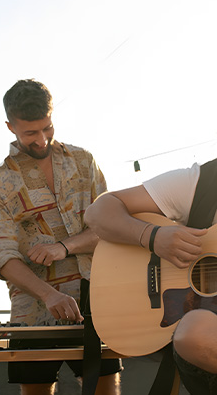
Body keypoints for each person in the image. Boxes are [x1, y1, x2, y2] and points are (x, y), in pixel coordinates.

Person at [0, 79, 122, 395]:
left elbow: (112, 227)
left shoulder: (83, 161)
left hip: (96, 299)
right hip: (32, 310)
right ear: (10, 126)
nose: (42, 139)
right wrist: (48, 294)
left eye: (47, 128)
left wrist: (64, 247)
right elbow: (4, 258)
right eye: (30, 133)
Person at [84, 160, 217, 394]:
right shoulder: (202, 181)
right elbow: (98, 213)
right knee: (195, 331)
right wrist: (152, 236)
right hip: (201, 339)